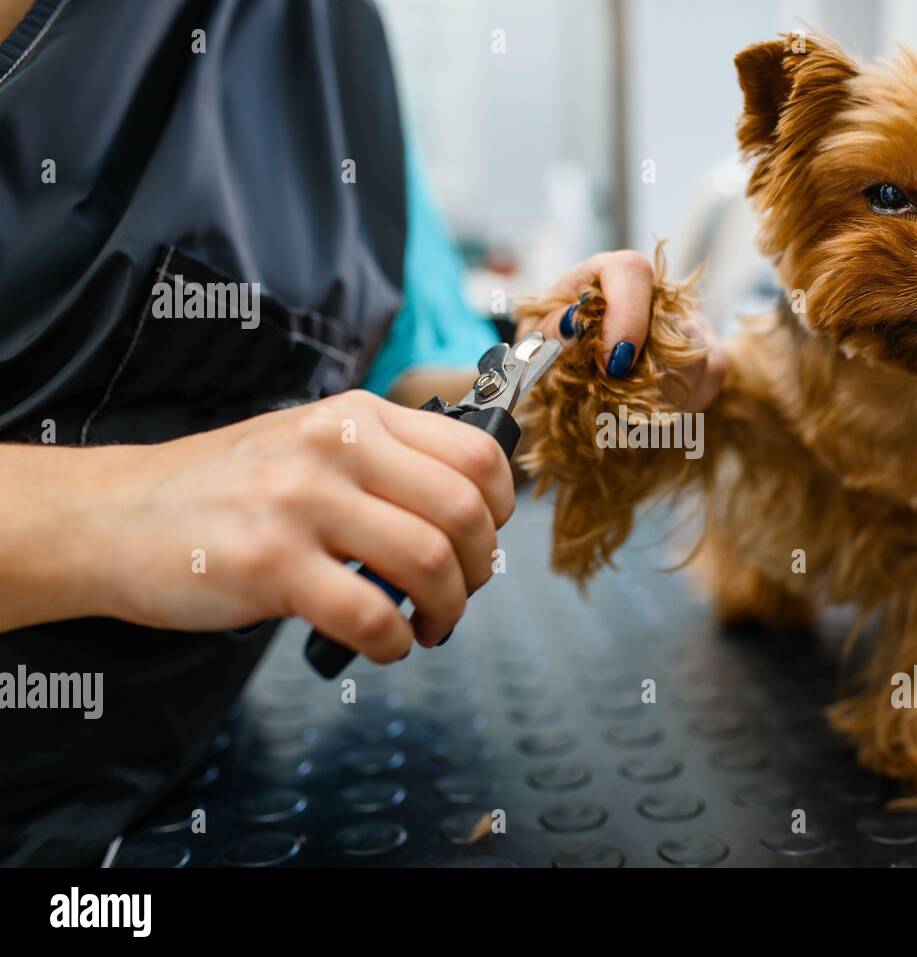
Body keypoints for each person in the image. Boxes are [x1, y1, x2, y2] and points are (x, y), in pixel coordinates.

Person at [0, 0, 722, 864]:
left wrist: (568, 379)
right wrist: (114, 512)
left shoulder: (332, 42)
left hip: (172, 794)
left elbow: (404, 380)